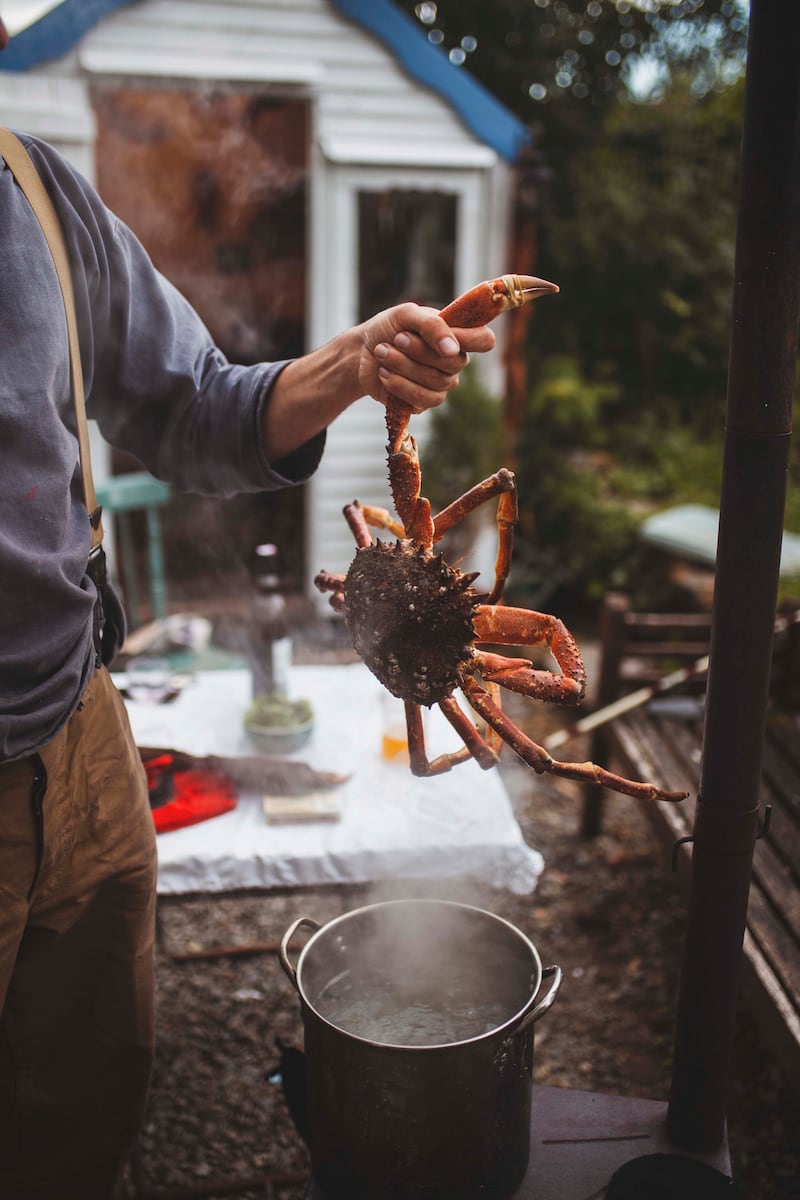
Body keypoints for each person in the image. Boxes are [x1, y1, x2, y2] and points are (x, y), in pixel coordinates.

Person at [0, 12, 497, 1197]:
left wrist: (356, 362)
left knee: (83, 1111)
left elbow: (196, 406)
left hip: (82, 741)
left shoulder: (33, 192)